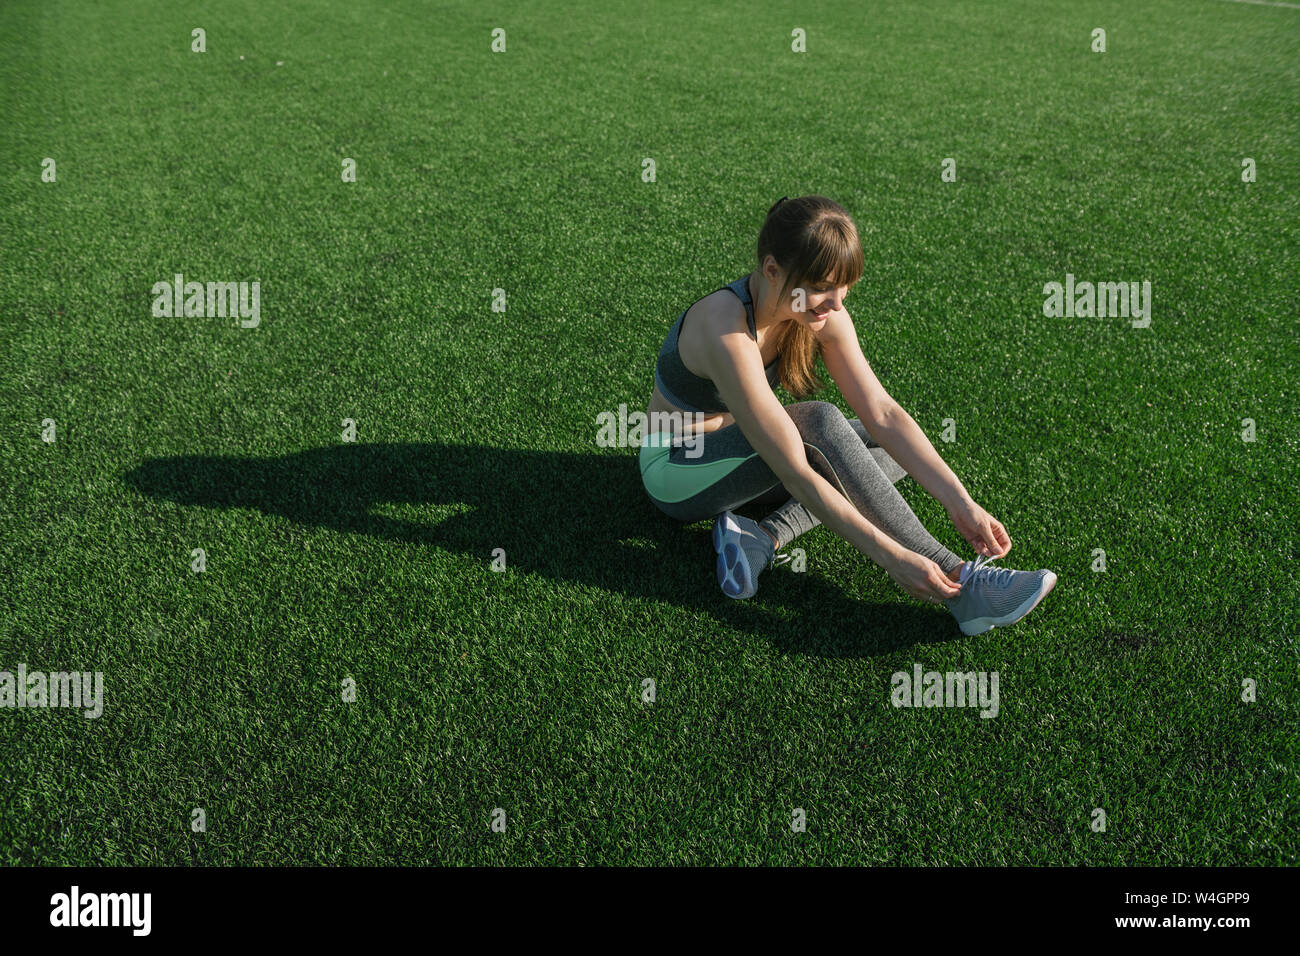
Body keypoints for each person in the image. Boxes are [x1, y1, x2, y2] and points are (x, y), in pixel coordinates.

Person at [638, 195, 1056, 635]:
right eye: (822, 287)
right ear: (772, 269)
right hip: (678, 471)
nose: (836, 305)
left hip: (742, 462)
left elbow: (884, 415)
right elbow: (797, 471)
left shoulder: (818, 311)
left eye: (844, 289)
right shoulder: (724, 327)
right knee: (821, 423)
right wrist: (892, 558)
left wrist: (961, 503)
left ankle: (759, 537)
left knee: (890, 450)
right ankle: (962, 584)